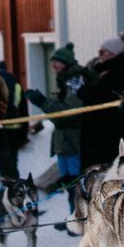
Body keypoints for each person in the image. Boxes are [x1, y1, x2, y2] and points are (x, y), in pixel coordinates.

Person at [24, 45, 90, 184]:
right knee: (68, 182)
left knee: (75, 183)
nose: (53, 65)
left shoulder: (75, 80)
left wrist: (42, 102)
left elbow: (69, 112)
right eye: (53, 62)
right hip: (64, 141)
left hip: (73, 141)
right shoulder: (63, 80)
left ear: (66, 62)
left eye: (57, 62)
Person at [76, 37, 124, 169]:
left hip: (108, 134)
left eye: (102, 52)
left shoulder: (121, 73)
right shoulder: (103, 71)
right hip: (98, 133)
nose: (99, 55)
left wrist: (84, 91)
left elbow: (102, 97)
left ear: (113, 53)